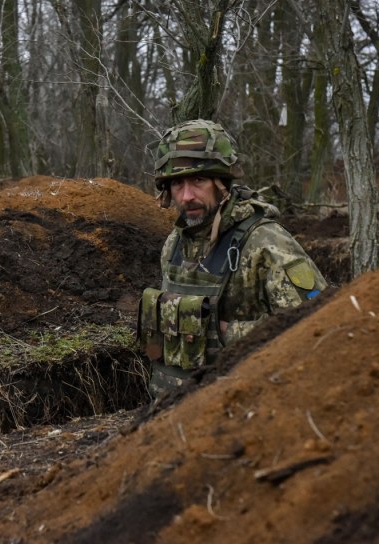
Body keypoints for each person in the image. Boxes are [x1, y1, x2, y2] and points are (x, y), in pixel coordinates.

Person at [137, 119, 328, 396]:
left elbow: (316, 325)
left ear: (222, 183)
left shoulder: (265, 243)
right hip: (171, 415)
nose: (187, 195)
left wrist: (225, 333)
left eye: (198, 180)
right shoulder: (175, 244)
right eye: (177, 183)